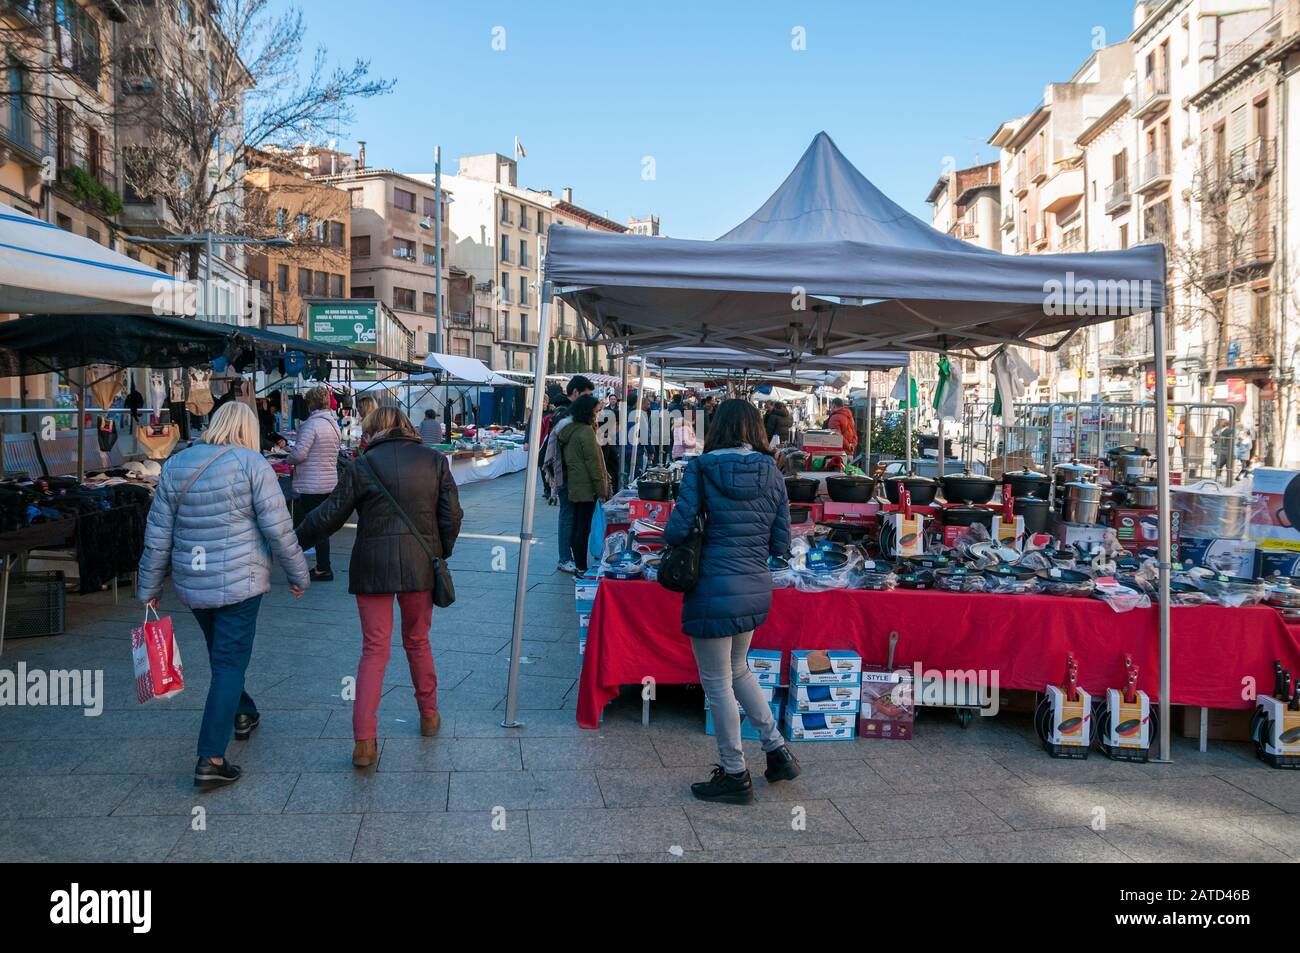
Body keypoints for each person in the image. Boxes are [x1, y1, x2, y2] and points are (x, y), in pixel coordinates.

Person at [138, 402, 310, 788]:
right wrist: (299, 574)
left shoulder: (177, 464)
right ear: (248, 430)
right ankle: (211, 758)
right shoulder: (252, 465)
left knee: (223, 656)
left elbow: (158, 533)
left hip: (192, 582)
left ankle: (243, 711)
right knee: (229, 663)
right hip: (239, 582)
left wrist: (149, 587)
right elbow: (279, 529)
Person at [297, 407, 464, 768]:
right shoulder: (434, 460)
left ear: (373, 431)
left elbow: (329, 515)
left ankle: (364, 743)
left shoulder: (363, 465)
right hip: (420, 567)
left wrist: (291, 541)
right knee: (418, 641)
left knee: (374, 650)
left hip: (372, 567)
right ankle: (429, 715)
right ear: (406, 427)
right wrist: (438, 553)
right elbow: (452, 515)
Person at [663, 398, 799, 804]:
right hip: (754, 588)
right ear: (755, 429)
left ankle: (735, 773)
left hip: (711, 588)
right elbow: (781, 542)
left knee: (718, 684)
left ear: (716, 427)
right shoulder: (772, 471)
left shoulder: (701, 469)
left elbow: (675, 531)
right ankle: (777, 751)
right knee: (739, 670)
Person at [287, 386, 342, 582]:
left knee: (312, 527)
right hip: (328, 482)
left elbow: (300, 454)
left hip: (311, 484)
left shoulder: (311, 425)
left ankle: (318, 567)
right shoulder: (333, 424)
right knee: (321, 527)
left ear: (311, 403)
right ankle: (321, 566)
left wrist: (288, 459)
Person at [541, 375, 594, 572]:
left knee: (571, 516)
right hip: (566, 474)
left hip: (571, 474)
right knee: (567, 515)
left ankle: (569, 555)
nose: (589, 400)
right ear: (575, 393)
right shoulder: (565, 415)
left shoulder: (569, 413)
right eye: (586, 395)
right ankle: (564, 558)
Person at [558, 394, 609, 574]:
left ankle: (579, 563)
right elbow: (594, 464)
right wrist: (602, 489)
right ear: (588, 411)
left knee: (578, 525)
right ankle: (581, 566)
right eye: (596, 410)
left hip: (576, 484)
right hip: (586, 486)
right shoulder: (585, 432)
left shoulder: (570, 429)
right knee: (583, 528)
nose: (598, 414)